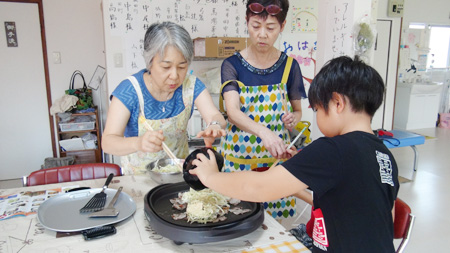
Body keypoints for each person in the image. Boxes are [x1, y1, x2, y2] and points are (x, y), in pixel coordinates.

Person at [191, 56, 400, 252]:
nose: (317, 116)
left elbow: (258, 187)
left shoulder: (332, 149)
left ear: (337, 103)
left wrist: (211, 176)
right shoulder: (384, 156)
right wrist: (300, 167)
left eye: (318, 109)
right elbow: (378, 215)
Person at [219, 0, 307, 219]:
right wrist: (264, 132)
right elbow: (233, 112)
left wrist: (292, 118)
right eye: (256, 26)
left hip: (275, 163)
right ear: (247, 22)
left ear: (282, 26)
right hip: (239, 162)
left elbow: (298, 111)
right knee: (235, 220)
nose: (262, 34)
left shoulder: (290, 66)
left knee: (275, 227)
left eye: (270, 28)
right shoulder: (232, 65)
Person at [102, 21, 226, 175]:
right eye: (166, 67)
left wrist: (214, 125)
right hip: (139, 180)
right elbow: (107, 142)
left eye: (182, 66)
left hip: (178, 177)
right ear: (150, 62)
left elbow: (214, 115)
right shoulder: (129, 91)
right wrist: (138, 143)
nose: (174, 76)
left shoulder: (191, 84)